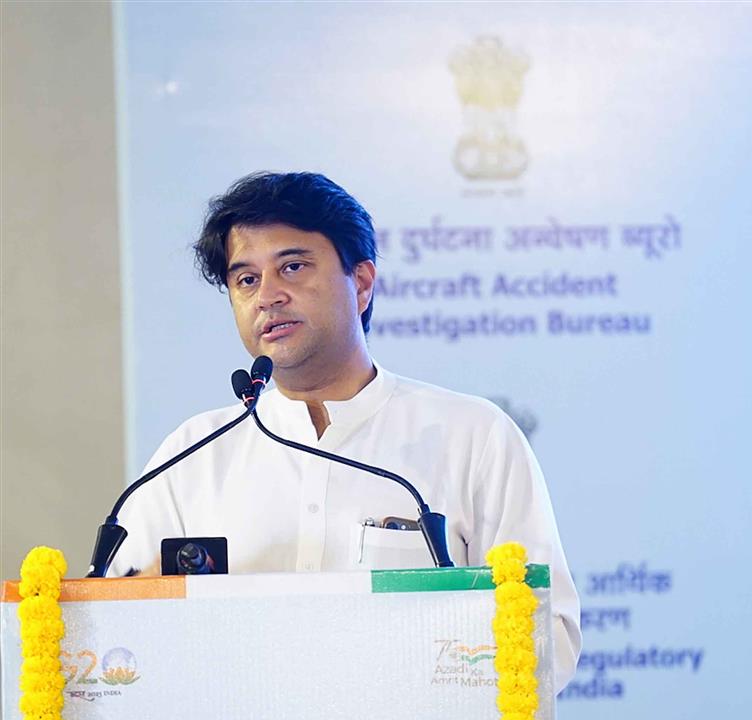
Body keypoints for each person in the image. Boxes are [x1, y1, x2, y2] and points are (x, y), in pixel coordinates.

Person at [109, 171, 581, 691]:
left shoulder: (473, 435)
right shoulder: (193, 454)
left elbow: (549, 638)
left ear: (360, 283)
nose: (268, 296)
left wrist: (432, 664)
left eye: (292, 267)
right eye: (246, 280)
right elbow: (114, 639)